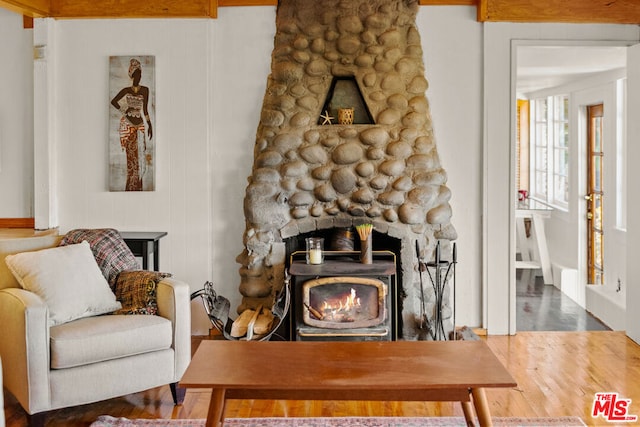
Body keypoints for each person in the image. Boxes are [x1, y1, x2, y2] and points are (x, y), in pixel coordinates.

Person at [111, 58, 153, 191]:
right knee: (131, 159)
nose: (138, 77)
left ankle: (138, 187)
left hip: (139, 126)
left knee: (140, 158)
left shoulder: (145, 90)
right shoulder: (126, 90)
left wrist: (149, 124)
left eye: (140, 75)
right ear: (132, 76)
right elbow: (114, 102)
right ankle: (130, 187)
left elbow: (145, 110)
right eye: (136, 75)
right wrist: (125, 109)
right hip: (128, 126)